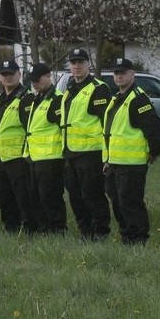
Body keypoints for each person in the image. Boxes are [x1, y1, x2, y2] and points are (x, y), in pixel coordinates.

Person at [103, 58, 160, 245]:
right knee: (118, 203)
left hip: (132, 164)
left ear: (132, 74)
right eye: (116, 73)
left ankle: (138, 240)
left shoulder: (138, 99)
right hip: (115, 163)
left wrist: (153, 152)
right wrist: (107, 158)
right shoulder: (117, 99)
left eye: (123, 72)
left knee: (130, 203)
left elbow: (154, 129)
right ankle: (127, 237)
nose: (119, 76)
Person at [61, 48, 112, 241]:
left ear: (88, 64)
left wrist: (107, 155)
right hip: (70, 153)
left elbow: (107, 123)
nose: (76, 66)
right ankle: (85, 231)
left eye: (80, 62)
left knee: (92, 195)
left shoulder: (98, 88)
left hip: (91, 153)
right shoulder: (70, 88)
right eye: (73, 63)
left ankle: (100, 231)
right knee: (75, 195)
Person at [0, 60, 37, 233]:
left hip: (19, 158)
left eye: (11, 73)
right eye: (4, 74)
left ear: (20, 75)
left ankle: (30, 227)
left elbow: (29, 129)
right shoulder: (0, 100)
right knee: (4, 194)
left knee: (23, 196)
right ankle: (10, 226)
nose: (8, 77)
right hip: (1, 157)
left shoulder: (26, 99)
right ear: (0, 78)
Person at [24, 63, 67, 234]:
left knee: (50, 197)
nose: (34, 84)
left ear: (48, 76)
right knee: (36, 197)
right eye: (32, 81)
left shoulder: (57, 99)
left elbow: (62, 128)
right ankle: (44, 229)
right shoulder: (38, 98)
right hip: (36, 157)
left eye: (37, 80)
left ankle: (57, 230)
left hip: (52, 157)